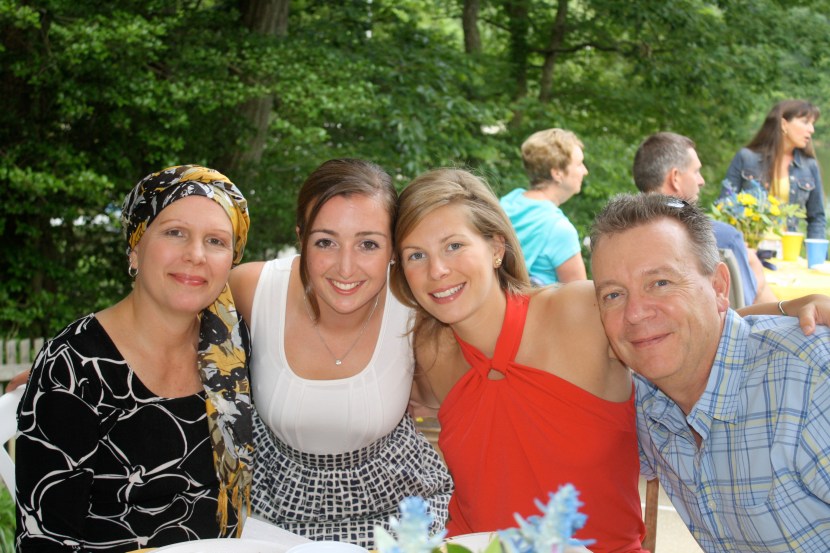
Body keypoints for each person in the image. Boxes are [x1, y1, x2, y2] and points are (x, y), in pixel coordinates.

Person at [391, 168, 646, 553]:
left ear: (497, 248)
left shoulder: (581, 312)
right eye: (416, 255)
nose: (437, 270)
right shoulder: (429, 348)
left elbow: (687, 336)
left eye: (454, 246)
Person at [15, 165, 254, 552]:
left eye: (215, 241)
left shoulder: (229, 347)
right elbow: (46, 539)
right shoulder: (75, 365)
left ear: (231, 259)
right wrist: (55, 378)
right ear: (136, 246)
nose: (196, 255)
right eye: (175, 233)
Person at [229, 159, 452, 548]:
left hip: (396, 510)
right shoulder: (251, 289)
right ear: (301, 238)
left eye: (368, 244)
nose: (346, 268)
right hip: (268, 510)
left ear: (394, 249)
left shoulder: (415, 305)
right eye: (325, 242)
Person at [590, 193, 830, 552]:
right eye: (613, 295)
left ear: (718, 287)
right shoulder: (644, 400)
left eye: (661, 282)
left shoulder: (811, 382)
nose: (635, 313)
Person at [633, 131, 776, 305]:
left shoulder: (622, 235)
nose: (701, 181)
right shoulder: (723, 237)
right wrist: (757, 277)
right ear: (675, 178)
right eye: (696, 171)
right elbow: (741, 308)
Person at [721, 99, 826, 239]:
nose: (811, 130)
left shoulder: (809, 166)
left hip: (787, 249)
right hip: (749, 246)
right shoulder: (746, 158)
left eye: (812, 124)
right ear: (784, 124)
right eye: (805, 122)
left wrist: (816, 252)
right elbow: (724, 206)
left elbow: (817, 218)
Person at [499, 128, 588, 285]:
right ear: (557, 173)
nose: (585, 171)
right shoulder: (559, 229)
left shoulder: (506, 204)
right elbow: (580, 295)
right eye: (579, 164)